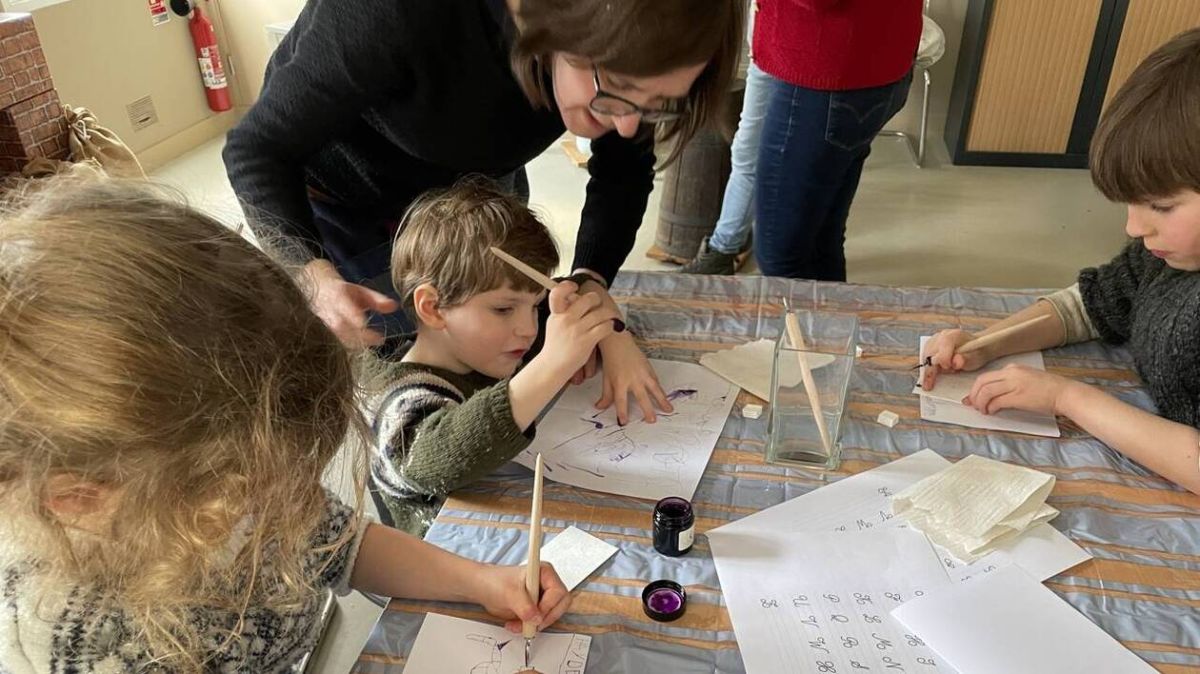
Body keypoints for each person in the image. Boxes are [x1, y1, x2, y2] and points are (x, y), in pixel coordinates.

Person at [0, 175, 571, 672]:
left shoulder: (234, 476)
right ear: (78, 499)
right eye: (250, 485)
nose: (285, 501)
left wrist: (481, 581)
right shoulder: (86, 646)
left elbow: (337, 543)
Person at [223, 0, 744, 425]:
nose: (629, 125)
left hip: (472, 174)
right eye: (621, 94)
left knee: (497, 338)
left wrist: (590, 283)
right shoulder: (397, 13)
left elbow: (624, 172)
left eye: (656, 104)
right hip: (349, 196)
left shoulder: (630, 55)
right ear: (564, 21)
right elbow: (257, 151)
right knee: (417, 385)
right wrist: (311, 273)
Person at [921, 28, 1200, 496]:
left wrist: (1068, 397)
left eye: (1161, 206)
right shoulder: (1171, 256)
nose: (1134, 227)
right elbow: (1090, 305)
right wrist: (987, 343)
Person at [369, 180, 620, 534]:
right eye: (503, 309)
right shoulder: (400, 401)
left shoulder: (487, 343)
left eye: (534, 306)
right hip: (447, 565)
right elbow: (437, 458)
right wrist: (552, 364)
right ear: (434, 308)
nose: (528, 329)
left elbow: (576, 293)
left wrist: (615, 344)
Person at [753, 0, 922, 279]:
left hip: (827, 72)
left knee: (781, 253)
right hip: (873, 59)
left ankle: (807, 323)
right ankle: (830, 322)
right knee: (821, 237)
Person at [681, 1, 764, 275]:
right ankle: (730, 241)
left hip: (784, 54)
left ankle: (723, 249)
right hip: (768, 49)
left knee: (748, 154)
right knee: (747, 153)